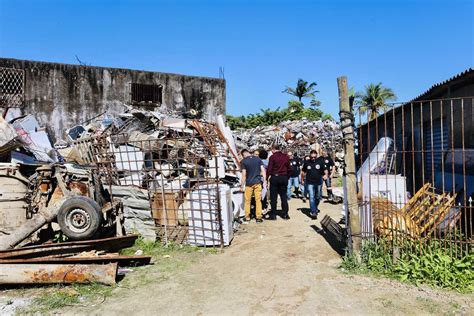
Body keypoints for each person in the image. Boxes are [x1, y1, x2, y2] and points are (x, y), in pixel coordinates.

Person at [240, 149, 266, 223]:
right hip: (257, 183)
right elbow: (263, 170)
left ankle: (247, 217)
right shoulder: (258, 159)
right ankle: (258, 217)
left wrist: (242, 185)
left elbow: (244, 175)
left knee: (247, 201)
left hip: (249, 184)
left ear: (243, 155)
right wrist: (264, 181)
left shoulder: (244, 162)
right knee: (258, 200)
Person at [266, 144, 291, 220]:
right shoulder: (285, 157)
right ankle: (285, 213)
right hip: (283, 177)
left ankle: (273, 215)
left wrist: (266, 178)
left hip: (275, 177)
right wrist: (287, 177)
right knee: (283, 196)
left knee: (274, 197)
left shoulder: (272, 157)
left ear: (273, 149)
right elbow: (289, 169)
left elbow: (269, 169)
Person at [301, 149, 327, 218]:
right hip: (310, 182)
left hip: (318, 182)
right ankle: (313, 212)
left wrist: (325, 175)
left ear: (316, 156)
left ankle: (315, 207)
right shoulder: (306, 162)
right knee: (311, 197)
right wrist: (302, 180)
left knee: (318, 197)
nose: (313, 158)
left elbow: (325, 170)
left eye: (314, 157)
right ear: (309, 156)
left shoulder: (320, 161)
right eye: (311, 157)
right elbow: (303, 171)